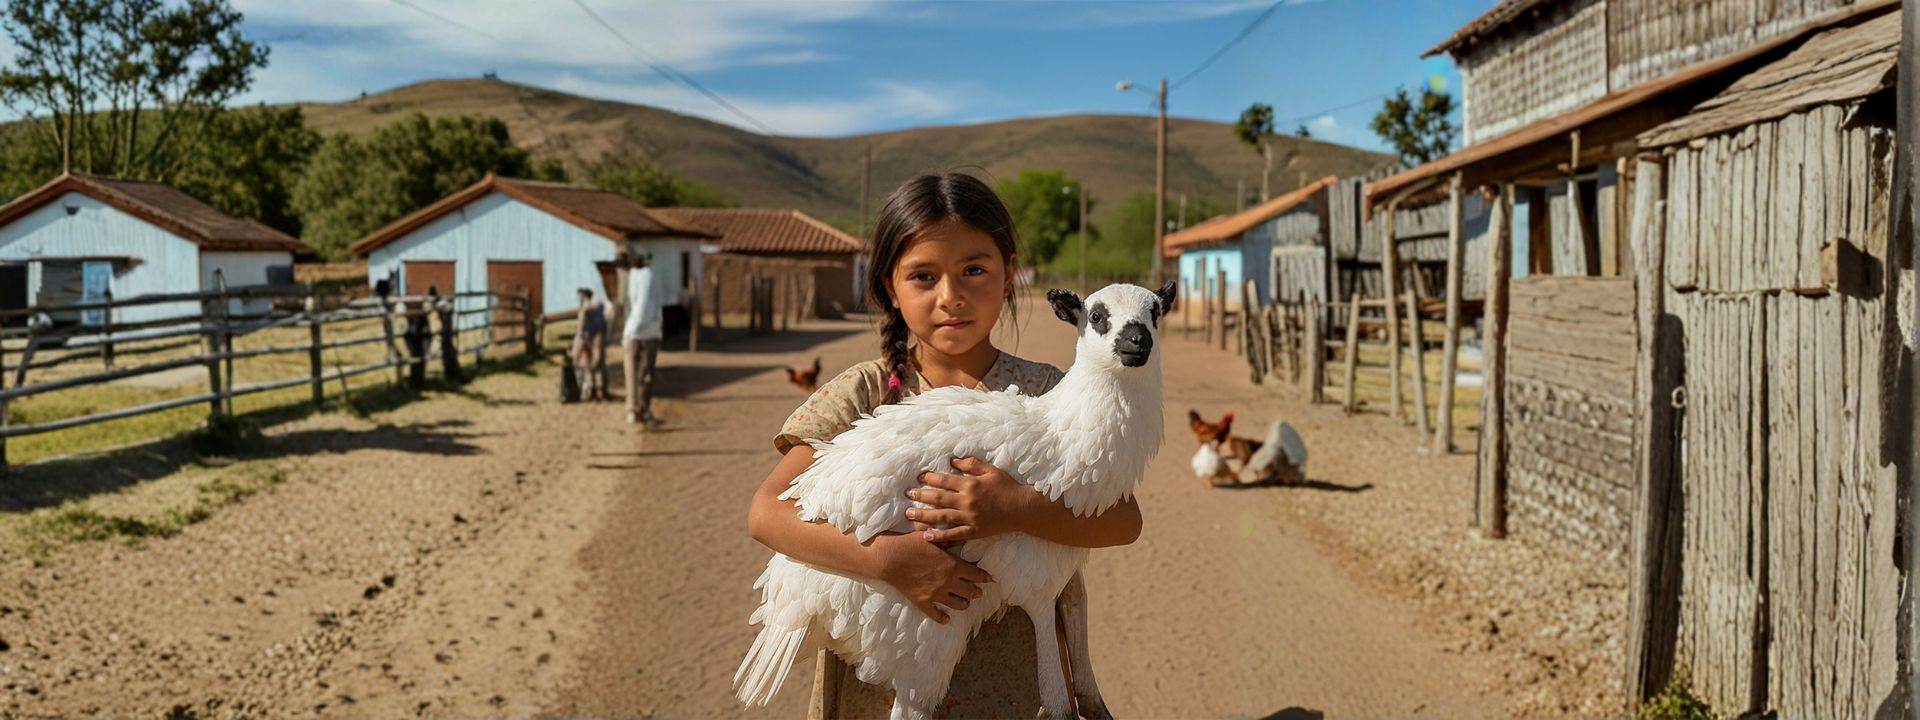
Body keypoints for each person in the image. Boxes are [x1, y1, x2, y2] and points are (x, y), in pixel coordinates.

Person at [745, 173, 1143, 717]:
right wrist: (887, 558)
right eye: (923, 276)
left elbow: (1123, 520)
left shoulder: (1049, 393)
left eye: (974, 271)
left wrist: (1013, 507)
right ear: (891, 285)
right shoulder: (864, 393)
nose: (950, 297)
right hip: (878, 683)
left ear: (1008, 276)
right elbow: (768, 512)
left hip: (1012, 683)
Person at [622, 252, 663, 427]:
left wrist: (630, 331)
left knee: (634, 373)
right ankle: (642, 409)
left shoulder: (642, 276)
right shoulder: (647, 275)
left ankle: (636, 409)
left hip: (638, 332)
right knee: (645, 374)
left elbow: (641, 305)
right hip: (650, 331)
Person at [573, 287, 608, 401]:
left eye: (580, 295)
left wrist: (580, 340)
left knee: (590, 363)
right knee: (597, 362)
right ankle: (599, 389)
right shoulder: (596, 307)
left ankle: (593, 390)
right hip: (596, 335)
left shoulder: (586, 308)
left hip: (589, 336)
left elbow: (582, 326)